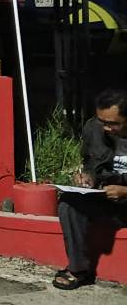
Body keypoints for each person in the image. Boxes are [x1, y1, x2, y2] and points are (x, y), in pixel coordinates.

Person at [53, 89, 127, 290]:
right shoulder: (94, 129)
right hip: (107, 200)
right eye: (102, 121)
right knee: (69, 202)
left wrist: (125, 192)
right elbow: (90, 164)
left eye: (113, 123)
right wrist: (87, 177)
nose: (106, 128)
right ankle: (78, 270)